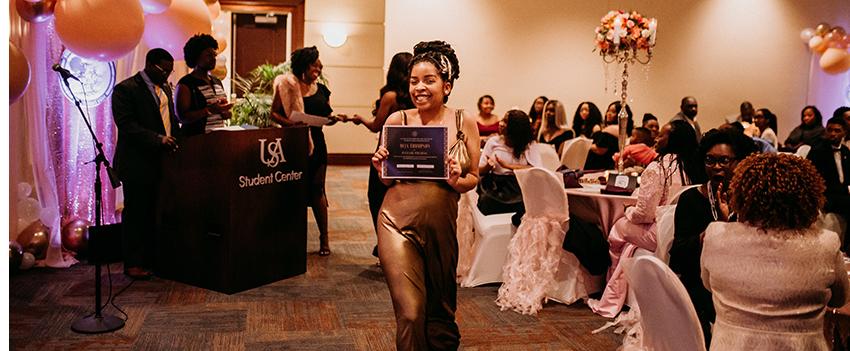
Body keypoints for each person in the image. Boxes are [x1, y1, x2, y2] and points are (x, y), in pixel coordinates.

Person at [371, 40, 480, 350]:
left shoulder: (463, 122)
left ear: (446, 85)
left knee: (440, 310)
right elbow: (387, 181)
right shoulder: (398, 120)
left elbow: (473, 178)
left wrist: (456, 178)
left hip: (441, 229)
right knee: (409, 312)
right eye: (414, 81)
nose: (419, 87)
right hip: (395, 223)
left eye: (429, 80)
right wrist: (380, 167)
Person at [701, 153, 849, 350]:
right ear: (807, 198)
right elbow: (840, 299)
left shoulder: (716, 235)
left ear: (743, 195)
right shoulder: (825, 243)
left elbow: (709, 284)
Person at [588, 120, 700, 318]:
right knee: (628, 239)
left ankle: (610, 289)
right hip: (685, 231)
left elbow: (644, 215)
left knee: (617, 227)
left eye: (662, 135)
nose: (656, 138)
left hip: (661, 234)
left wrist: (629, 210)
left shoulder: (658, 168)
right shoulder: (694, 167)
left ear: (672, 140)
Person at [668, 128, 756, 346]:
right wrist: (708, 235)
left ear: (739, 163)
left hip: (740, 281)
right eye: (710, 160)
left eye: (724, 161)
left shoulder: (751, 201)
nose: (717, 167)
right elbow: (677, 253)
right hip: (699, 282)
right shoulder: (691, 199)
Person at [111, 48, 179, 279]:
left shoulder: (166, 88)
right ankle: (133, 263)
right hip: (137, 162)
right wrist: (158, 139)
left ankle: (153, 258)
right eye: (163, 70)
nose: (167, 75)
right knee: (137, 213)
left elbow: (169, 119)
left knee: (155, 212)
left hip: (163, 160)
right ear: (150, 64)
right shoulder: (125, 89)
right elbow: (127, 126)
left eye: (170, 71)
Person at [271, 46, 342, 256]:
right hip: (293, 143)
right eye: (315, 65)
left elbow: (328, 115)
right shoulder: (287, 86)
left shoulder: (322, 90)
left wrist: (333, 120)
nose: (318, 69)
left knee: (317, 188)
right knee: (294, 190)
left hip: (317, 143)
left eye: (320, 66)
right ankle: (292, 237)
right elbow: (274, 113)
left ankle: (324, 239)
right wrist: (291, 125)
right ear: (304, 65)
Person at [349, 52, 413, 259]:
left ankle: (385, 245)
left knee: (377, 199)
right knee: (403, 202)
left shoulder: (390, 96)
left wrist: (360, 119)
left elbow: (377, 126)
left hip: (385, 154)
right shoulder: (414, 95)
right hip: (407, 153)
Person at [478, 109, 541, 215]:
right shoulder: (493, 142)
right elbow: (479, 170)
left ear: (516, 128)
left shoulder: (529, 144)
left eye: (506, 122)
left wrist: (509, 166)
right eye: (502, 120)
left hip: (520, 186)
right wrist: (488, 166)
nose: (501, 124)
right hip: (496, 187)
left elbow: (537, 169)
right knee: (486, 202)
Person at [175, 34, 232, 137]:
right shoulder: (186, 84)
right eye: (208, 55)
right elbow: (181, 117)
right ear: (196, 57)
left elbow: (220, 111)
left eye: (214, 55)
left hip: (217, 140)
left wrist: (225, 113)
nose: (213, 58)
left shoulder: (217, 82)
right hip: (196, 142)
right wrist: (209, 110)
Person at [807, 116, 850, 251]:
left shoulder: (845, 151)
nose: (833, 134)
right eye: (830, 130)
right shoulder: (817, 151)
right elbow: (811, 177)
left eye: (837, 131)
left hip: (842, 194)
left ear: (844, 132)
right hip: (827, 195)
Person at [584, 101, 631, 170]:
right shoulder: (618, 129)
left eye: (613, 112)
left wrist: (585, 144)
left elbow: (600, 149)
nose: (608, 114)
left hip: (602, 167)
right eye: (608, 111)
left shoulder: (613, 129)